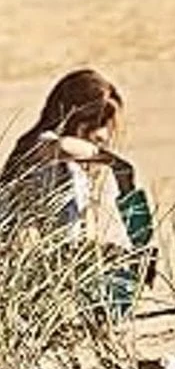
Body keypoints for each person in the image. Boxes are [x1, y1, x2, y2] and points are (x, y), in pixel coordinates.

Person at [0, 69, 155, 307]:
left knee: (121, 290)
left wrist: (130, 253)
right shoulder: (37, 147)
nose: (104, 135)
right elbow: (58, 146)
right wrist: (115, 163)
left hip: (57, 278)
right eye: (98, 123)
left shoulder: (77, 174)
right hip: (21, 280)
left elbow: (80, 244)